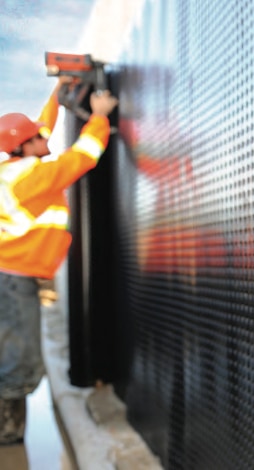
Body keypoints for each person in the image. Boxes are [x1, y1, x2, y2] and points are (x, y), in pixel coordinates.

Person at [0, 76, 118, 444]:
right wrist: (99, 116)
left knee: (11, 350)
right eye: (37, 136)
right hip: (13, 281)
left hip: (11, 277)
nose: (45, 137)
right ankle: (8, 433)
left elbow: (43, 124)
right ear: (25, 144)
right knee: (19, 358)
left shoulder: (16, 167)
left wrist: (58, 92)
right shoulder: (33, 176)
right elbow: (82, 157)